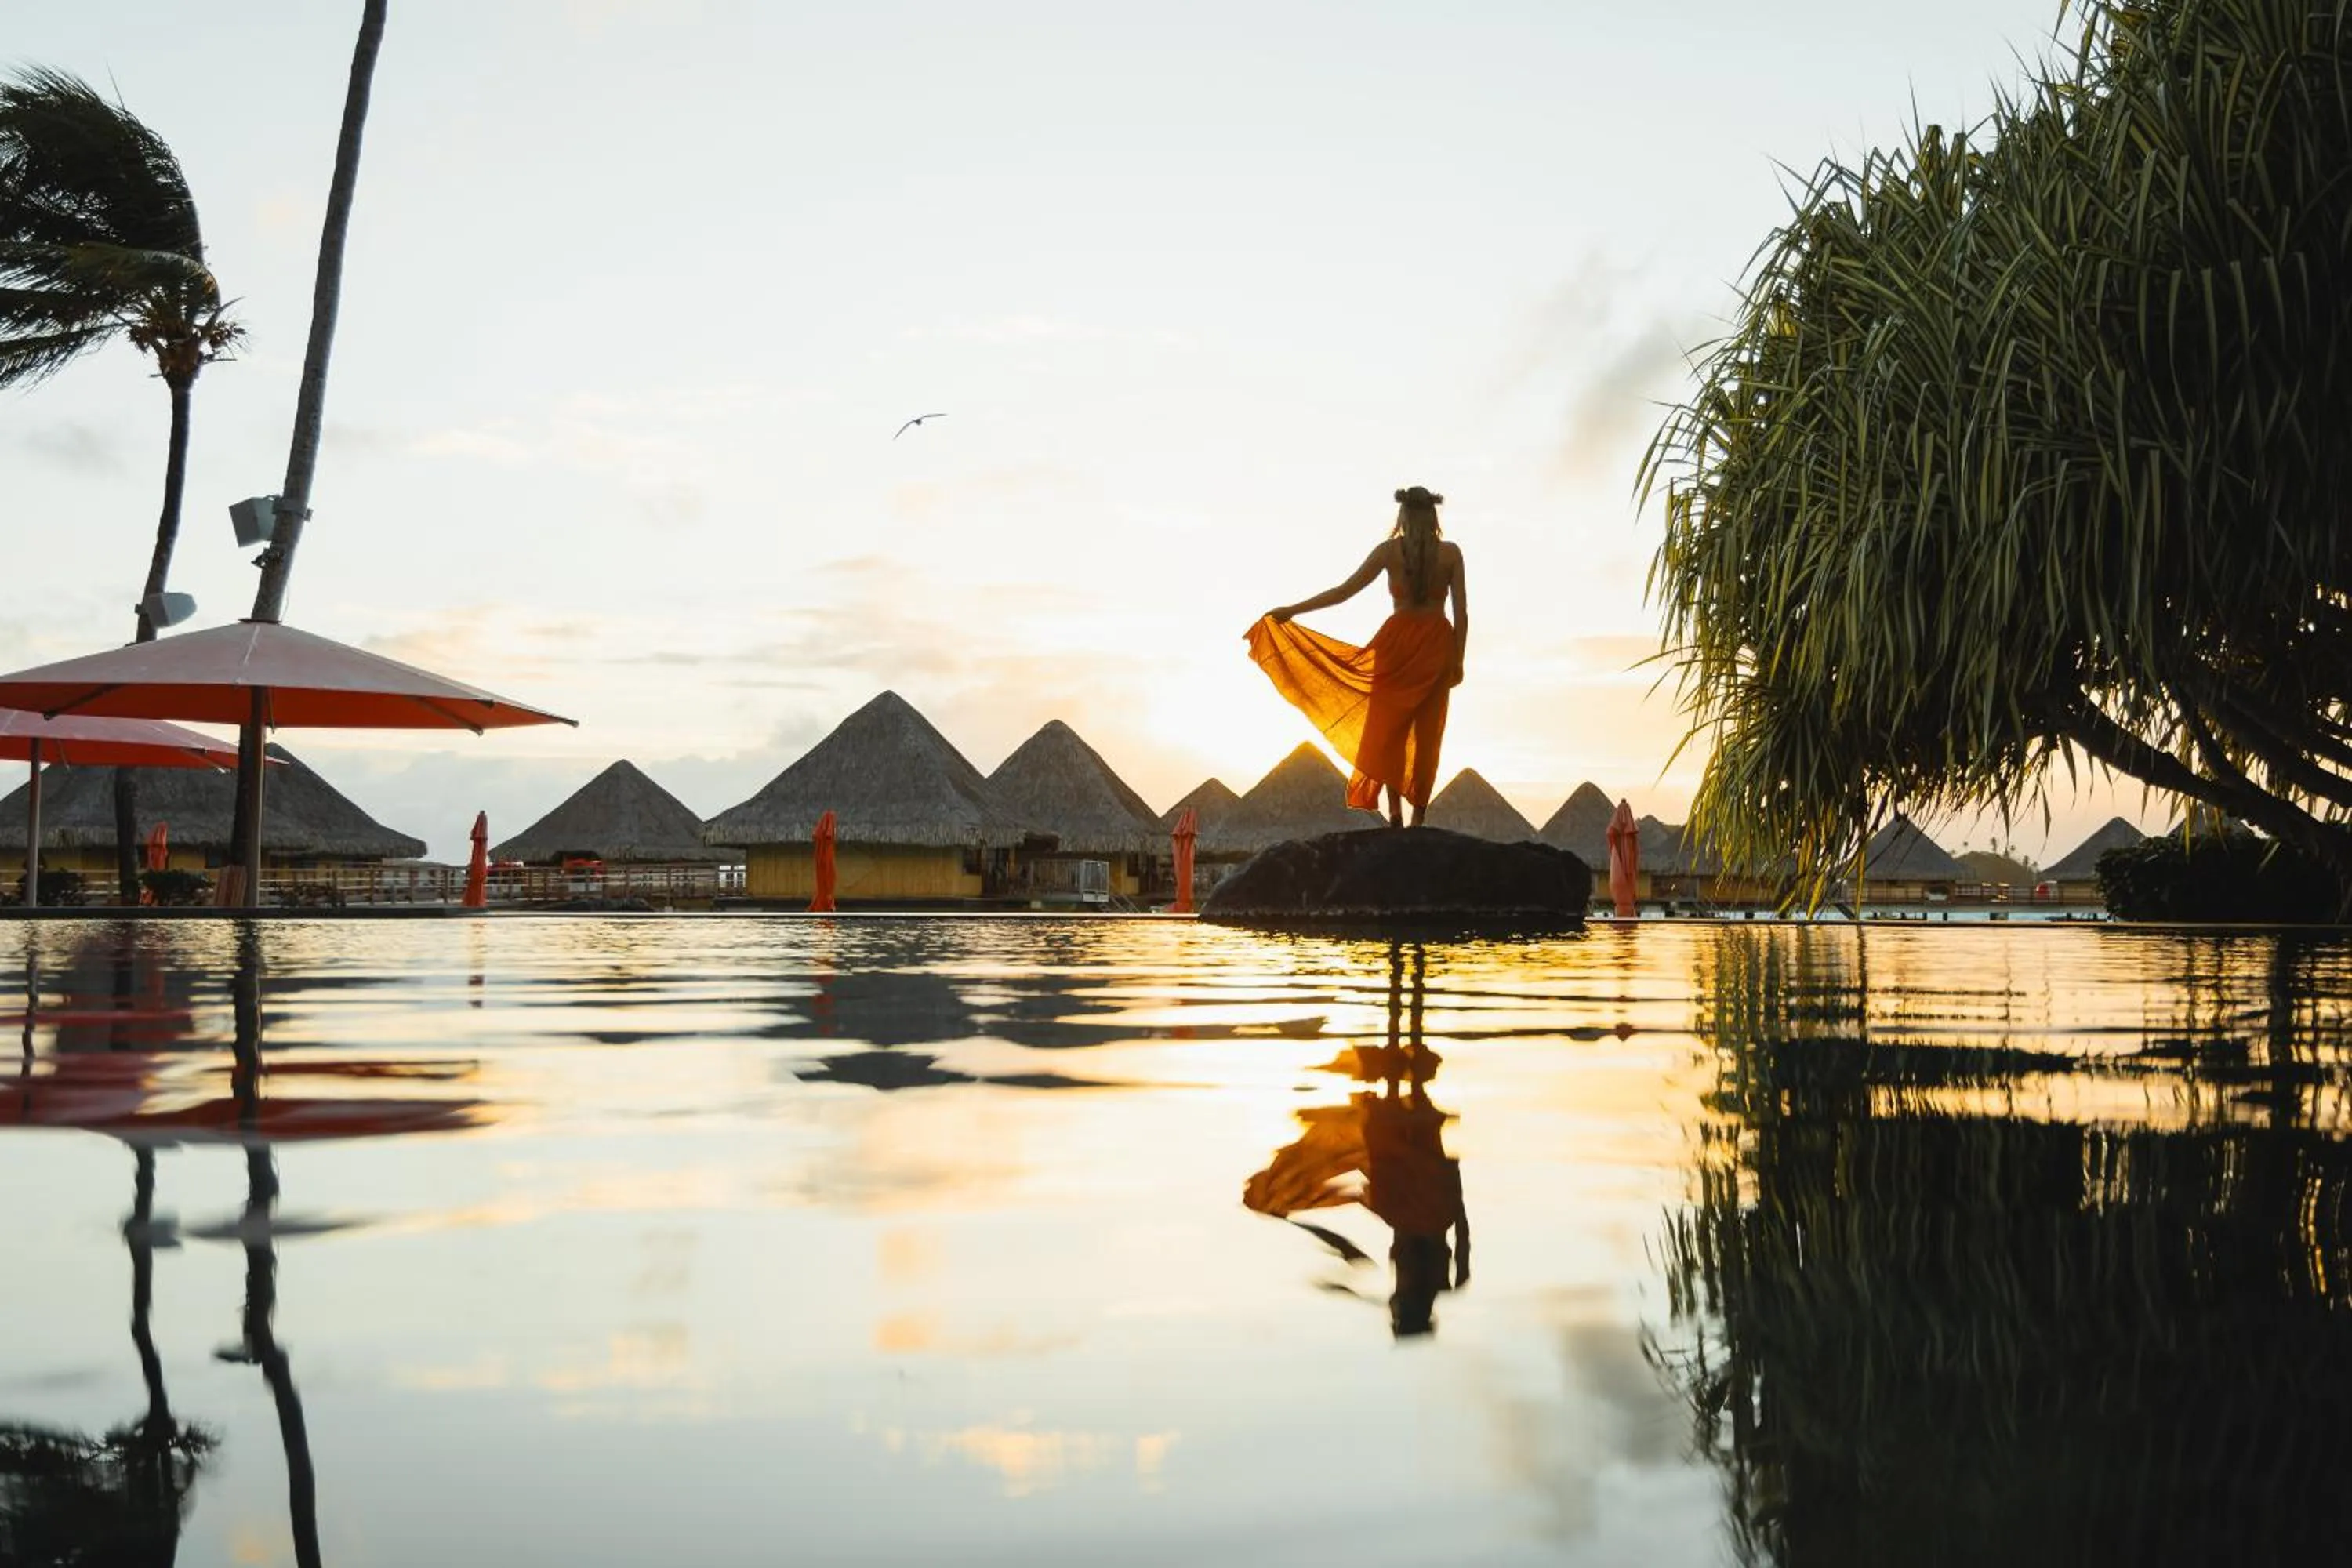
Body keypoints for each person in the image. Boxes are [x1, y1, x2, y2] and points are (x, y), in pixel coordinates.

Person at [1247, 485, 1468, 828]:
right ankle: (1417, 819)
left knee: (1389, 730)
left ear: (1403, 515)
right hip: (1435, 647)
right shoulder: (1451, 553)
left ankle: (1395, 814)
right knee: (1427, 736)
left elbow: (1343, 592)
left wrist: (1293, 610)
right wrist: (1458, 659)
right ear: (1433, 515)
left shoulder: (1389, 552)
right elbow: (1461, 614)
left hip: (1396, 645)